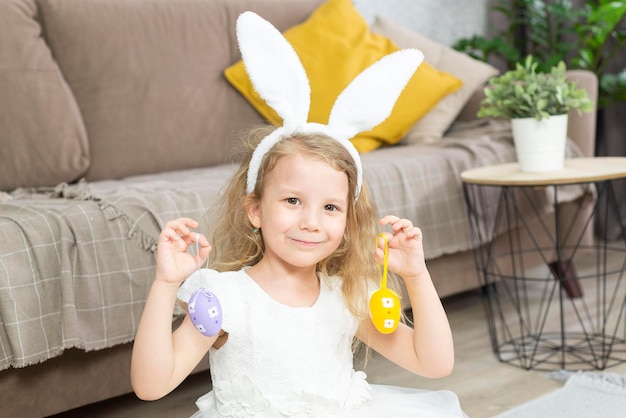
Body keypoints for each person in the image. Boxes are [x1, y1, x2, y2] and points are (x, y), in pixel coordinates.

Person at [131, 10, 466, 418]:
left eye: (330, 208)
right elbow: (151, 386)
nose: (311, 221)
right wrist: (166, 284)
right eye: (292, 201)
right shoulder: (224, 297)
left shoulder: (347, 297)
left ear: (347, 224)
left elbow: (434, 363)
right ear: (254, 210)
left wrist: (416, 275)